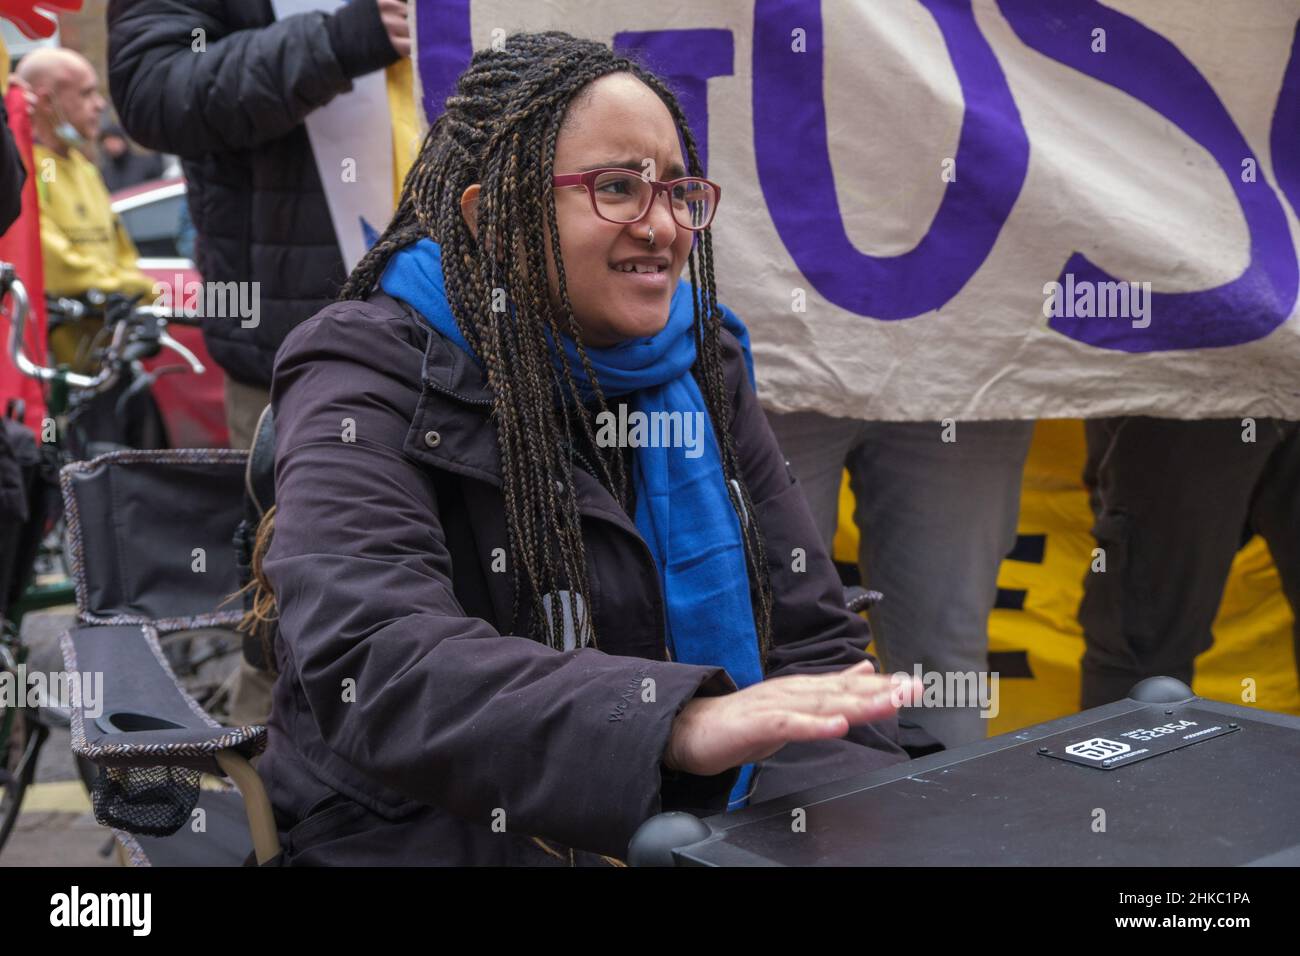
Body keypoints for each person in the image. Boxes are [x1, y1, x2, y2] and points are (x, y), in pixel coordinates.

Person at [248, 32, 919, 866]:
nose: (664, 225)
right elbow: (378, 661)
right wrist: (668, 724)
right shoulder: (361, 364)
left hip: (702, 819)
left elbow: (811, 643)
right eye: (616, 188)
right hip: (425, 831)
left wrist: (856, 819)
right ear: (489, 213)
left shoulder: (702, 357)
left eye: (678, 191)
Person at [106, 0, 410, 449]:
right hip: (292, 361)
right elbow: (153, 89)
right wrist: (335, 42)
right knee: (311, 516)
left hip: (473, 343)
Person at [1079, 418, 1300, 707]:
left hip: (1193, 400)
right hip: (1187, 397)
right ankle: (1139, 746)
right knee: (1144, 641)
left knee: (1144, 640)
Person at [16, 48, 155, 372]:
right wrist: (136, 289)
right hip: (55, 371)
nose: (100, 104)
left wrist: (131, 290)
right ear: (47, 102)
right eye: (86, 93)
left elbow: (121, 247)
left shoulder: (84, 168)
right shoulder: (28, 169)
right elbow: (54, 262)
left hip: (107, 360)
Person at [96, 122, 164, 193]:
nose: (111, 145)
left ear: (122, 140)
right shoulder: (104, 174)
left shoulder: (146, 164)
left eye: (114, 140)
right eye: (107, 142)